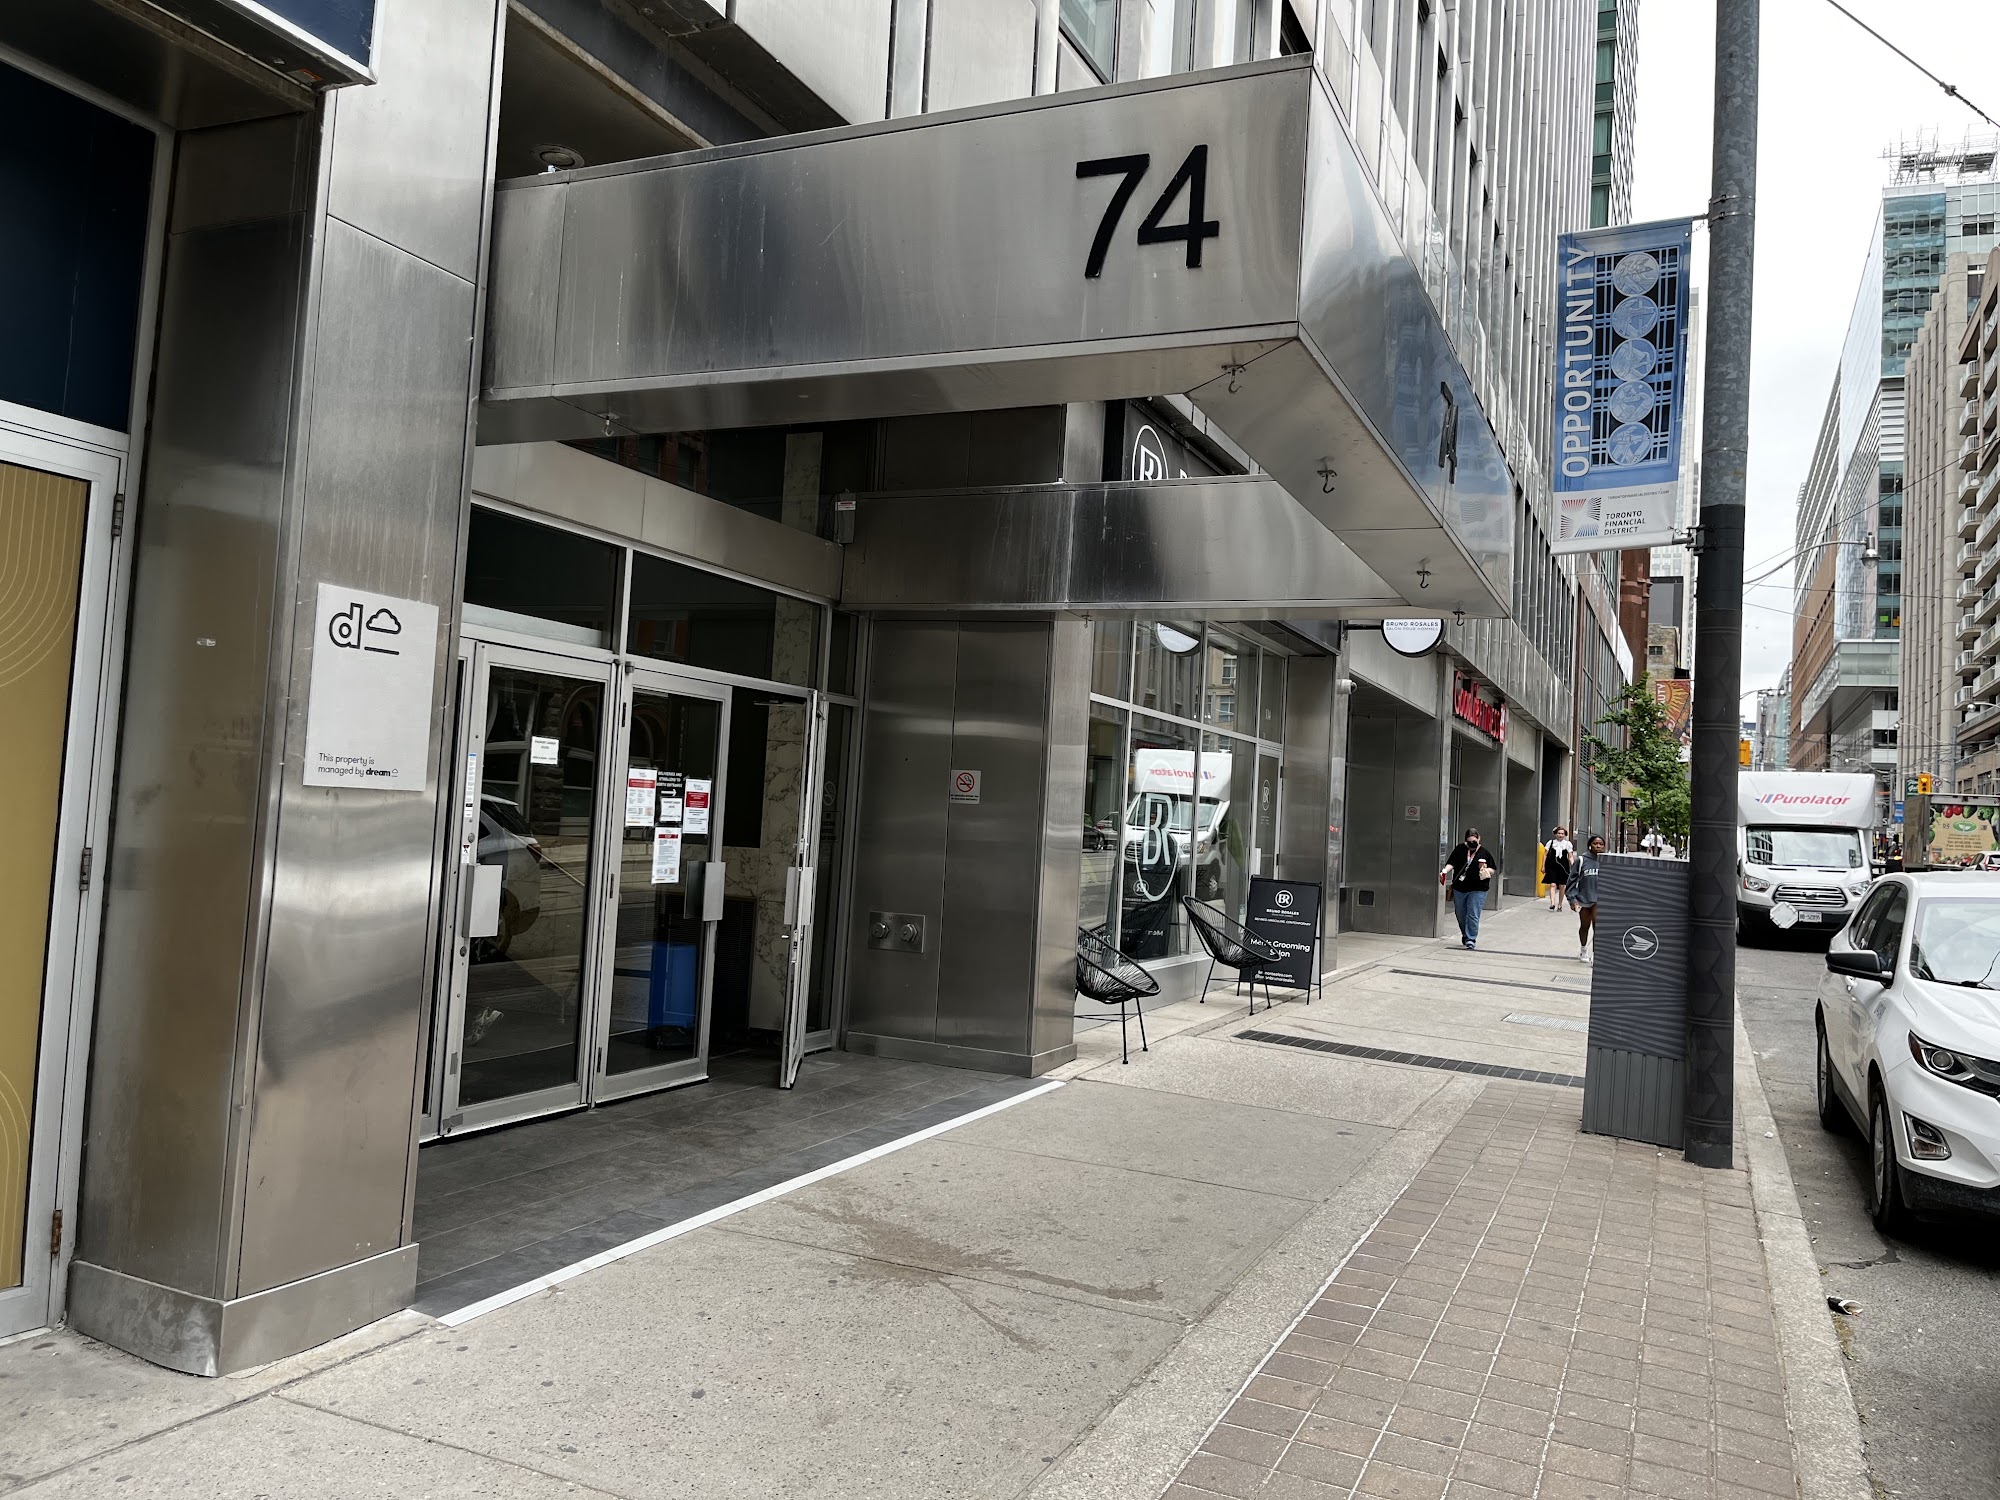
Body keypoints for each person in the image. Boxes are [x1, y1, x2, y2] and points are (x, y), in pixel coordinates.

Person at [1440, 828, 1499, 950]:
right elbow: (1452, 862)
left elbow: (1493, 869)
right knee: (1460, 914)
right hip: (1460, 887)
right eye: (1470, 841)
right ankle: (1465, 934)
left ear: (1479, 839)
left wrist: (1486, 870)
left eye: (1475, 841)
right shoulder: (1460, 849)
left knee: (1473, 914)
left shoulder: (1484, 853)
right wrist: (1444, 871)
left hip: (1478, 888)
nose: (1472, 844)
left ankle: (1471, 938)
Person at [1568, 834, 1606, 962]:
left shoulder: (1606, 861)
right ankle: (1583, 949)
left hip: (1599, 898)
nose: (1598, 846)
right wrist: (1572, 899)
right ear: (1590, 845)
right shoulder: (1581, 860)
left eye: (1601, 844)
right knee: (1584, 926)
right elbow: (1571, 881)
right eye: (1595, 843)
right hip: (1584, 898)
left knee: (1597, 926)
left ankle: (1596, 953)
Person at [1542, 827, 1574, 910]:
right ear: (1555, 834)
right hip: (1552, 866)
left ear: (1565, 835)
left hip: (1563, 867)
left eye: (1562, 834)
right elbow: (1545, 855)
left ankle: (1560, 904)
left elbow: (1570, 856)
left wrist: (1573, 866)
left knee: (1562, 886)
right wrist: (1543, 866)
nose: (1560, 835)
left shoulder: (1567, 844)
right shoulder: (1551, 843)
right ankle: (1552, 903)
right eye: (1559, 833)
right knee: (1553, 884)